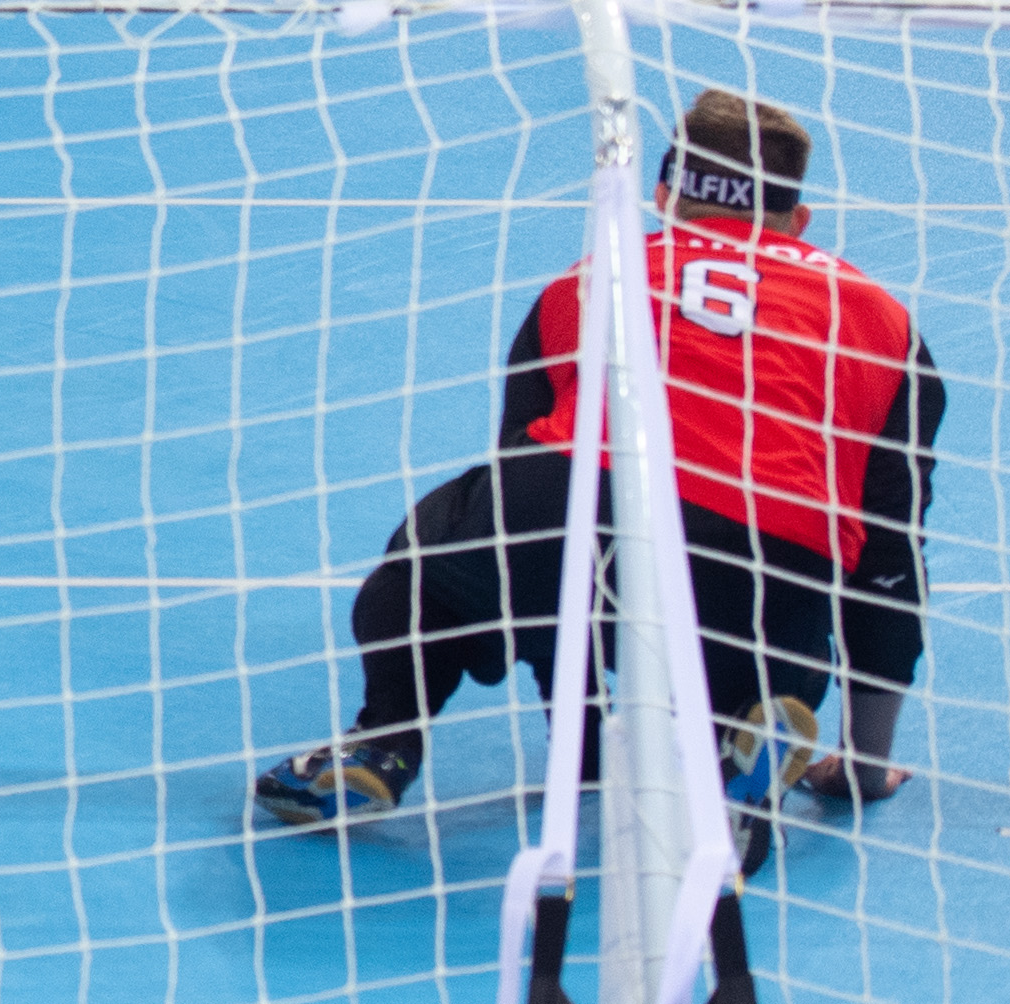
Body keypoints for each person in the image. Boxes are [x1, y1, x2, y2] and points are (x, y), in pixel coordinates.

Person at [253, 92, 945, 826]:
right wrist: (865, 769)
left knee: (441, 548)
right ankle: (734, 740)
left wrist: (576, 751)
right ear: (798, 220)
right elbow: (889, 559)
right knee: (773, 655)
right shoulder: (879, 320)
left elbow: (521, 477)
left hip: (570, 527)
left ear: (661, 195)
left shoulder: (586, 281)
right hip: (757, 582)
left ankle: (382, 743)